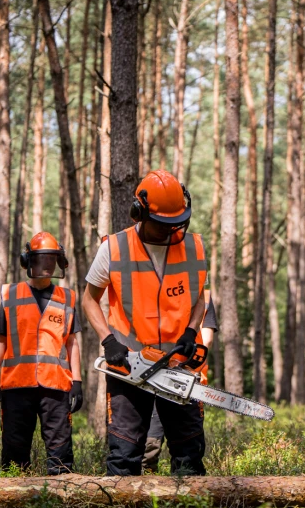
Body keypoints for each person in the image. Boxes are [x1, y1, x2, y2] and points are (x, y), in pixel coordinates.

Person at [82, 169, 210, 476]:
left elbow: (200, 297)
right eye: (163, 224)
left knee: (188, 455)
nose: (170, 230)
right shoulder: (113, 248)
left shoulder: (194, 247)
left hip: (178, 363)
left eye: (175, 223)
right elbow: (89, 299)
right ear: (139, 213)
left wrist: (192, 330)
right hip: (129, 365)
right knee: (125, 454)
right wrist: (108, 339)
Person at [0, 232, 82, 475]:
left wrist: (77, 382)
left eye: (52, 260)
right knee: (14, 453)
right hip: (16, 385)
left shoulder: (67, 297)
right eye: (42, 259)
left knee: (60, 453)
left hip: (56, 386)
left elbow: (71, 342)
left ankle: (61, 496)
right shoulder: (11, 295)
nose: (47, 265)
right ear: (28, 261)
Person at [142, 292, 217, 474]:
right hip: (161, 376)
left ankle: (153, 483)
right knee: (177, 447)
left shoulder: (204, 297)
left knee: (156, 446)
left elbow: (206, 340)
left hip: (185, 379)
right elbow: (207, 339)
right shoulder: (203, 295)